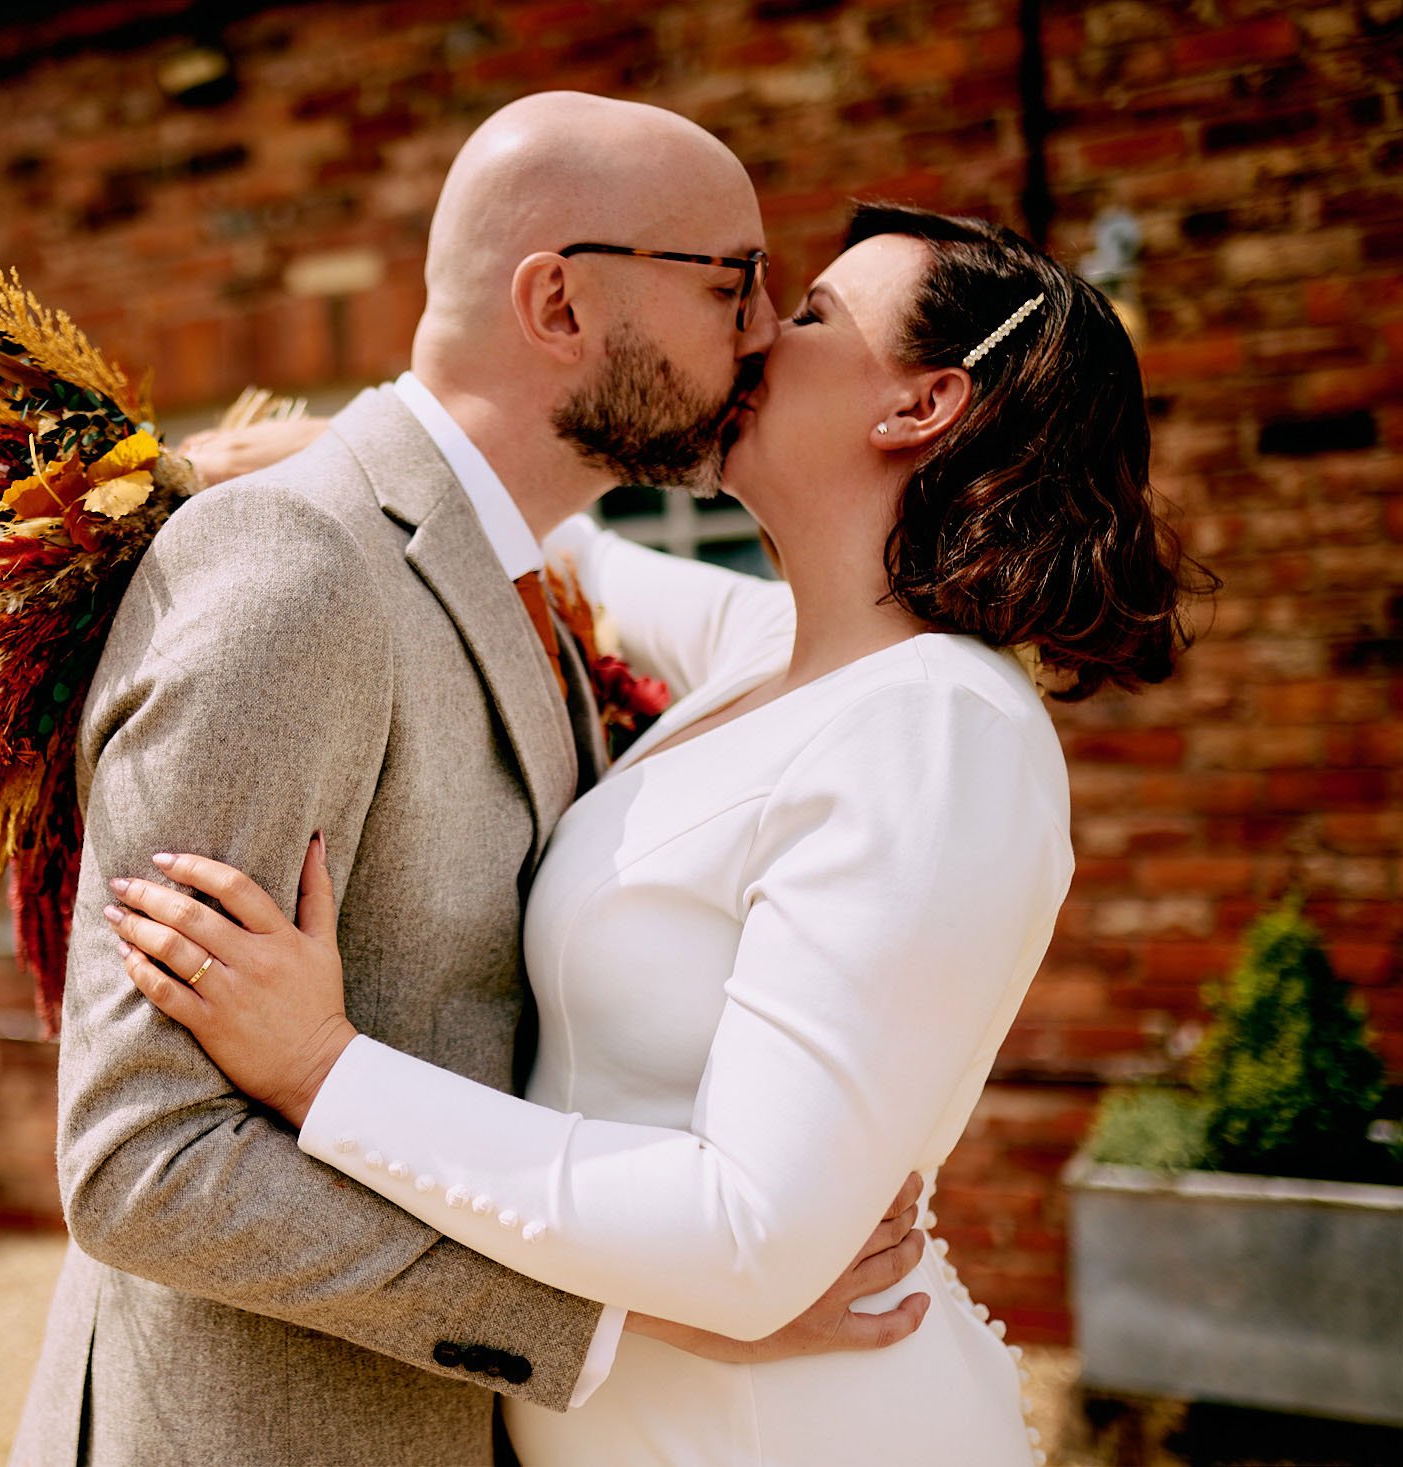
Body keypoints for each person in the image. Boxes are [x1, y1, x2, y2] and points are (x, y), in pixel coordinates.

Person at [101, 199, 1207, 1466]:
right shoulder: (769, 661)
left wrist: (321, 1068)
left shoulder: (940, 731)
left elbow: (745, 1239)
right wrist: (349, 462)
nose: (753, 335)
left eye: (803, 316)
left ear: (919, 405)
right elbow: (567, 546)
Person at [8, 93, 941, 1467]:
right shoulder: (294, 566)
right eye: (734, 280)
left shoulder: (524, 578)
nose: (760, 333)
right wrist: (630, 1313)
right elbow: (145, 1162)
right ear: (559, 301)